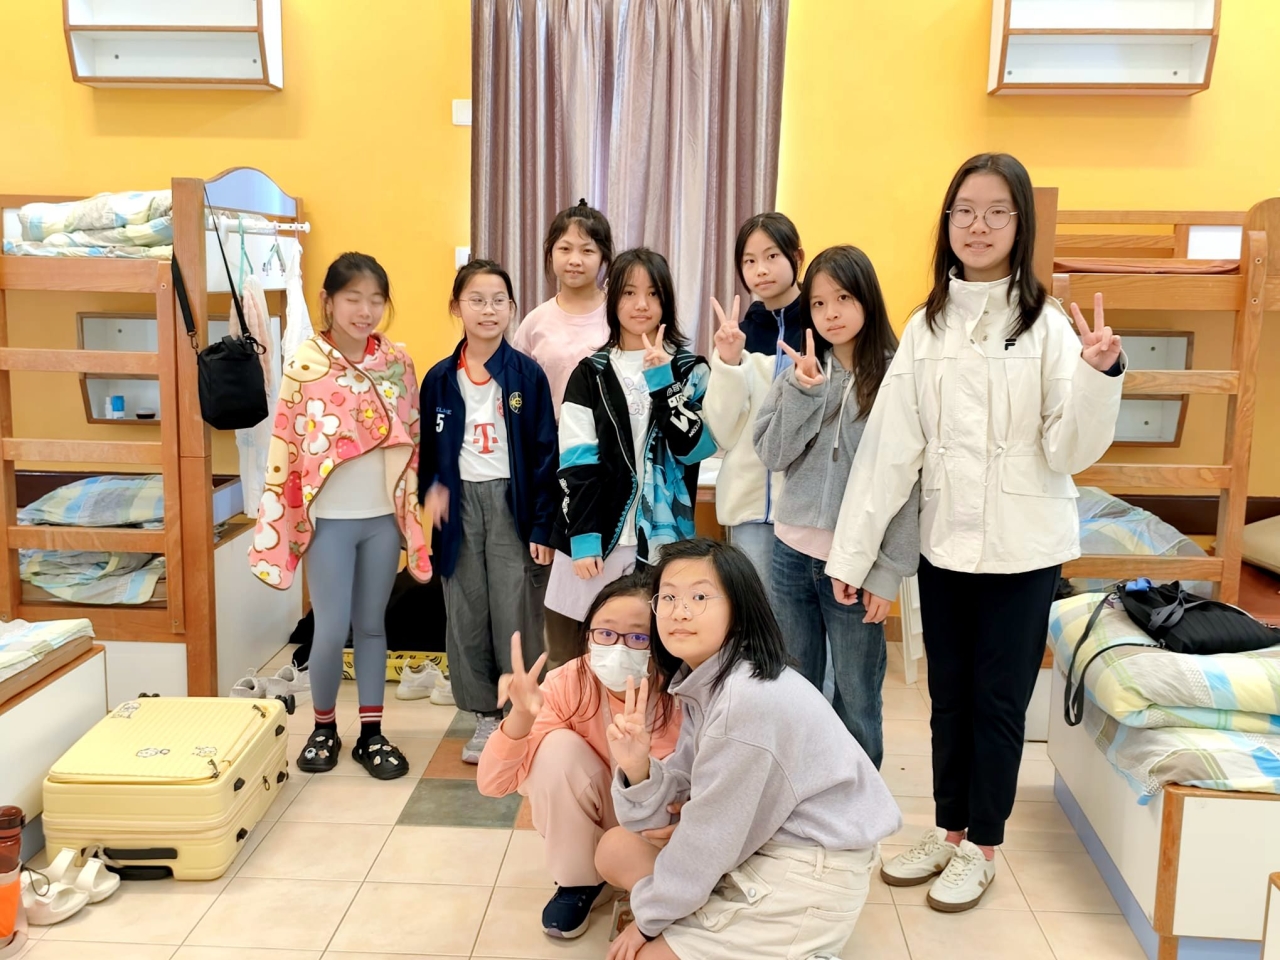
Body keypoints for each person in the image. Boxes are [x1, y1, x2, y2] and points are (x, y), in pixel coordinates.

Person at [827, 153, 1125, 912]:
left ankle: (983, 846)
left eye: (997, 212)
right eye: (965, 210)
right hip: (947, 543)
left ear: (1020, 225)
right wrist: (854, 556)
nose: (979, 225)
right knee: (948, 699)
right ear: (948, 222)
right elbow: (889, 450)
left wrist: (1098, 376)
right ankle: (949, 831)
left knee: (998, 701)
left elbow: (1070, 449)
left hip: (1025, 548)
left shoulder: (1048, 326)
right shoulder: (926, 327)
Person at [594, 538, 900, 960]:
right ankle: (703, 918)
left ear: (738, 612)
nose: (680, 612)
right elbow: (681, 804)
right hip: (762, 846)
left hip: (809, 870)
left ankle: (795, 944)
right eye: (668, 597)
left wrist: (648, 921)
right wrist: (637, 769)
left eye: (700, 597)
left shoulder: (745, 700)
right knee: (615, 849)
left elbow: (707, 840)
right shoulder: (710, 678)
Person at [249, 252, 430, 779]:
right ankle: (323, 728)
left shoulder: (398, 363)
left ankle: (372, 734)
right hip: (327, 520)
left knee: (372, 626)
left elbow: (413, 437)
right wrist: (284, 515)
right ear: (328, 301)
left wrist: (412, 510)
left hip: (381, 519)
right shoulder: (304, 365)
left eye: (376, 300)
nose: (365, 311)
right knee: (329, 628)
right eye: (353, 298)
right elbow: (286, 444)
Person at [754, 245, 919, 768]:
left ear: (867, 298)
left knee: (856, 695)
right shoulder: (800, 372)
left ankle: (858, 799)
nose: (831, 313)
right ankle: (802, 791)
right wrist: (803, 393)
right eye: (820, 303)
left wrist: (888, 571)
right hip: (790, 554)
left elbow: (909, 484)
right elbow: (771, 454)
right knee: (795, 686)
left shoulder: (898, 378)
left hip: (857, 562)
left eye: (843, 298)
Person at [476, 571, 683, 940]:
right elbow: (493, 784)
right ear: (588, 635)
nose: (618, 647)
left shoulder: (685, 692)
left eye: (638, 637)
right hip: (600, 816)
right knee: (556, 749)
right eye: (605, 633)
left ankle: (660, 885)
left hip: (663, 832)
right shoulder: (568, 681)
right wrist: (520, 717)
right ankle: (580, 881)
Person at [418, 259, 558, 763]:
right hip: (458, 506)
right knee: (466, 610)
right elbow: (427, 454)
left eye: (499, 300)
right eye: (476, 299)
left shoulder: (526, 374)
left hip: (510, 504)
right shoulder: (438, 379)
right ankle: (483, 716)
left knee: (514, 610)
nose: (488, 310)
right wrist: (430, 492)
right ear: (456, 307)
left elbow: (545, 455)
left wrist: (543, 526)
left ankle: (521, 712)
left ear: (512, 308)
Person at [544, 248, 717, 644]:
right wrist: (584, 536)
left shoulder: (689, 369)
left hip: (665, 541)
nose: (642, 304)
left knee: (655, 650)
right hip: (598, 534)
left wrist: (663, 384)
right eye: (629, 293)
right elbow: (576, 460)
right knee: (580, 651)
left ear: (667, 301)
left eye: (653, 293)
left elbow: (695, 448)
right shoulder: (591, 373)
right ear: (613, 299)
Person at [512, 199, 614, 667]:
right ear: (550, 253)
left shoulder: (618, 315)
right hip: (553, 463)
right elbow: (521, 404)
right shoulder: (535, 323)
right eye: (565, 248)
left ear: (604, 257)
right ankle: (563, 684)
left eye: (587, 250)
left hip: (609, 462)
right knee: (558, 589)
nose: (575, 259)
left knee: (609, 584)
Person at [702, 213, 807, 592]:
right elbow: (721, 433)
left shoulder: (822, 327)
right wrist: (729, 363)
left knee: (805, 622)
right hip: (748, 510)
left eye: (772, 256)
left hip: (808, 510)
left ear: (797, 257)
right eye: (749, 260)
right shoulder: (738, 337)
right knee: (756, 615)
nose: (760, 269)